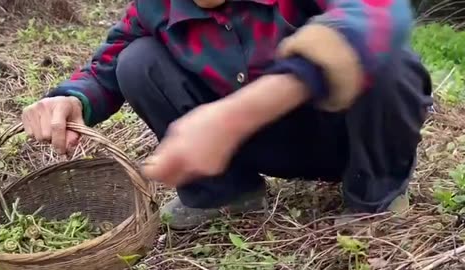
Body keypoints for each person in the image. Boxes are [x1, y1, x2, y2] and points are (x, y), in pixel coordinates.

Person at [21, 0, 433, 230]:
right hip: (247, 147)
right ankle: (226, 194)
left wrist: (239, 113)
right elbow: (109, 61)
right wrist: (72, 97)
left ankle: (373, 197)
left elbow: (379, 13)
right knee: (137, 60)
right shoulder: (156, 6)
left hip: (341, 135)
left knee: (388, 59)